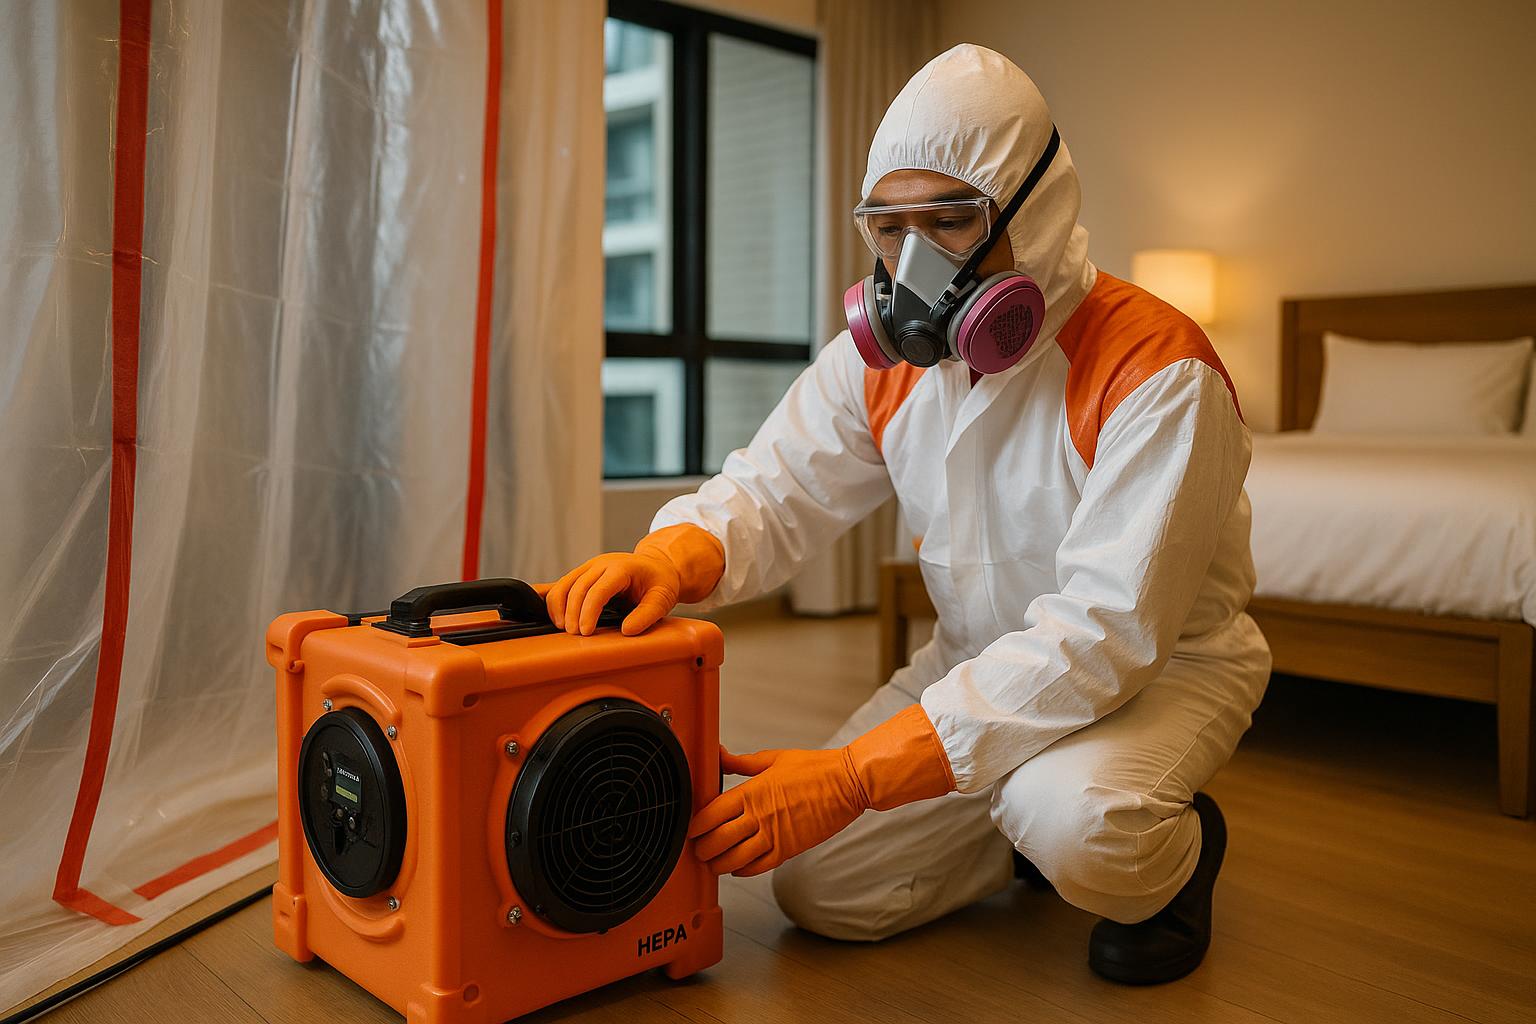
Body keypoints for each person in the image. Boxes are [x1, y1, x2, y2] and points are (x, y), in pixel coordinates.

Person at [542, 43, 1270, 985]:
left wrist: (852, 777)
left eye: (953, 222)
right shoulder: (884, 363)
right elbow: (771, 488)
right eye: (888, 227)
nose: (914, 263)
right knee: (817, 888)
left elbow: (1107, 634)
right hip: (972, 660)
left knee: (1083, 824)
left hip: (1162, 673)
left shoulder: (1157, 371)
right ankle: (1014, 824)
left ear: (1034, 212)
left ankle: (1168, 858)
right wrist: (674, 559)